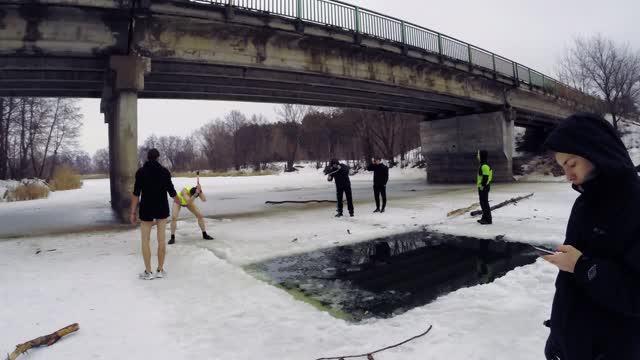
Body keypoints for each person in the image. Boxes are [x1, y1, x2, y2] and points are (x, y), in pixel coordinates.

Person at [542, 113, 640, 360]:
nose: (568, 176)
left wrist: (581, 265)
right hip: (574, 347)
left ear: (596, 152)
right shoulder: (583, 205)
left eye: (572, 164)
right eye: (563, 167)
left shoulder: (635, 204)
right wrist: (557, 332)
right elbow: (568, 283)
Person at [130, 148, 179, 280]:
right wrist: (180, 201)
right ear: (158, 157)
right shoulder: (164, 172)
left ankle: (148, 271)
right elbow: (172, 191)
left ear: (148, 157)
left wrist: (133, 212)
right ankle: (160, 270)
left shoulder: (140, 172)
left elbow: (136, 194)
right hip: (161, 208)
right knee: (161, 240)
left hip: (146, 209)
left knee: (145, 241)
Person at [477, 149, 493, 225]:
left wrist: (482, 186)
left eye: (478, 154)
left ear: (481, 156)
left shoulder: (485, 166)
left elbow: (486, 178)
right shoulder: (483, 165)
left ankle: (488, 220)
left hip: (484, 187)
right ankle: (484, 218)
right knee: (483, 203)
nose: (477, 156)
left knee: (485, 203)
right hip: (483, 187)